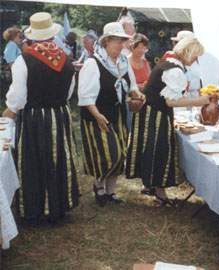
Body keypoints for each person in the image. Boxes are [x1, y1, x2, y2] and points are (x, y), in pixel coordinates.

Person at [2, 12, 79, 225]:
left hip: (35, 118)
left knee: (33, 159)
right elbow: (69, 93)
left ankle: (35, 210)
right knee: (58, 158)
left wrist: (8, 113)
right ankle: (58, 206)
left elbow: (17, 99)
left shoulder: (23, 60)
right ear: (52, 35)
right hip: (59, 114)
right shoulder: (67, 60)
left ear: (32, 36)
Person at [126, 37, 210, 206]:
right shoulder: (174, 70)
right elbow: (170, 101)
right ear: (188, 53)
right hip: (156, 114)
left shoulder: (169, 62)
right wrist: (200, 101)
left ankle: (152, 187)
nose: (196, 60)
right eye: (195, 56)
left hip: (150, 112)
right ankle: (160, 193)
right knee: (159, 151)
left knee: (152, 150)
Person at [78, 21, 142, 207]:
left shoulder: (123, 62)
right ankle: (98, 186)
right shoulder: (93, 63)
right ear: (106, 41)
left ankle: (110, 192)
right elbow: (85, 95)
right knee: (108, 155)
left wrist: (136, 93)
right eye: (117, 41)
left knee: (121, 155)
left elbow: (132, 86)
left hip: (118, 114)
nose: (121, 45)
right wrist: (97, 116)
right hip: (98, 116)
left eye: (122, 41)